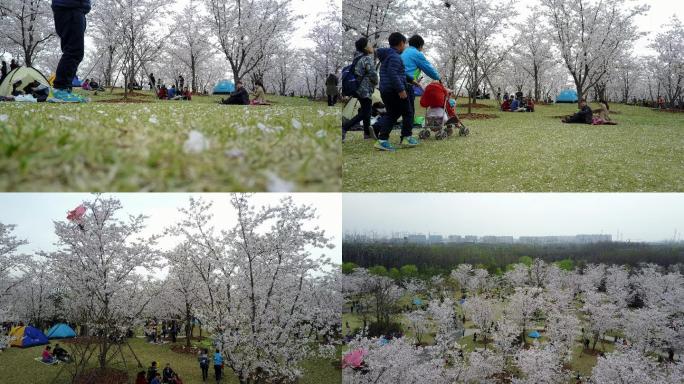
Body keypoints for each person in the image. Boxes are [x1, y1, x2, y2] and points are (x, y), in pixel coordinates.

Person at [374, 32, 414, 152]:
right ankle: (407, 137)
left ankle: (382, 140)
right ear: (401, 43)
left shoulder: (387, 56)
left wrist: (412, 80)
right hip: (395, 90)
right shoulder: (395, 57)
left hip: (385, 90)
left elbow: (397, 72)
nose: (405, 47)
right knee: (408, 112)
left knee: (392, 114)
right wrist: (401, 90)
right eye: (404, 44)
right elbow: (393, 74)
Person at [51, 0, 90, 102]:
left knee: (73, 50)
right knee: (74, 51)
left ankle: (64, 90)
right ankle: (61, 89)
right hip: (70, 7)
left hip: (73, 8)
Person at [402, 34, 441, 133]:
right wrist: (438, 78)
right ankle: (407, 136)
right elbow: (428, 68)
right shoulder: (417, 54)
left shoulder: (404, 52)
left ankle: (377, 128)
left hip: (397, 82)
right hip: (407, 84)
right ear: (420, 45)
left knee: (397, 110)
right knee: (409, 111)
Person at [342, 37, 379, 141]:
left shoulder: (357, 57)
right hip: (364, 89)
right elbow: (372, 73)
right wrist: (376, 82)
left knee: (366, 110)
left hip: (358, 88)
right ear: (365, 47)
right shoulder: (366, 58)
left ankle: (367, 134)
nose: (372, 46)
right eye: (370, 44)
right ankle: (344, 128)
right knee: (366, 112)